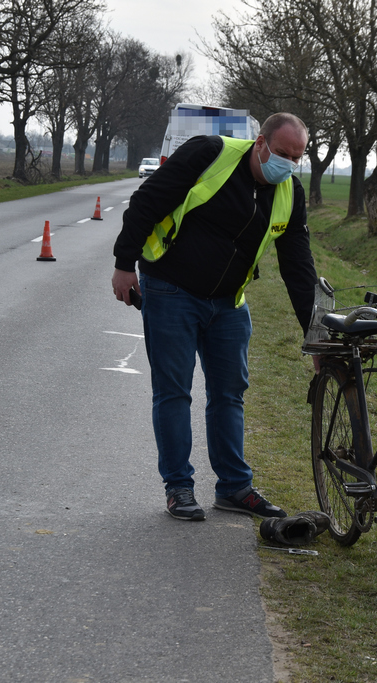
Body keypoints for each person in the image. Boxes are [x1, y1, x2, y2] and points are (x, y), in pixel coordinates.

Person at [111, 112, 317, 522]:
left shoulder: (289, 192)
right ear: (260, 143)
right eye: (281, 153)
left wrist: (314, 335)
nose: (288, 164)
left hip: (229, 304)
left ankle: (234, 488)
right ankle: (179, 488)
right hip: (171, 289)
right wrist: (123, 263)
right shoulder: (210, 154)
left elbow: (298, 267)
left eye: (297, 158)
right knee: (174, 392)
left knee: (229, 395)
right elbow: (147, 201)